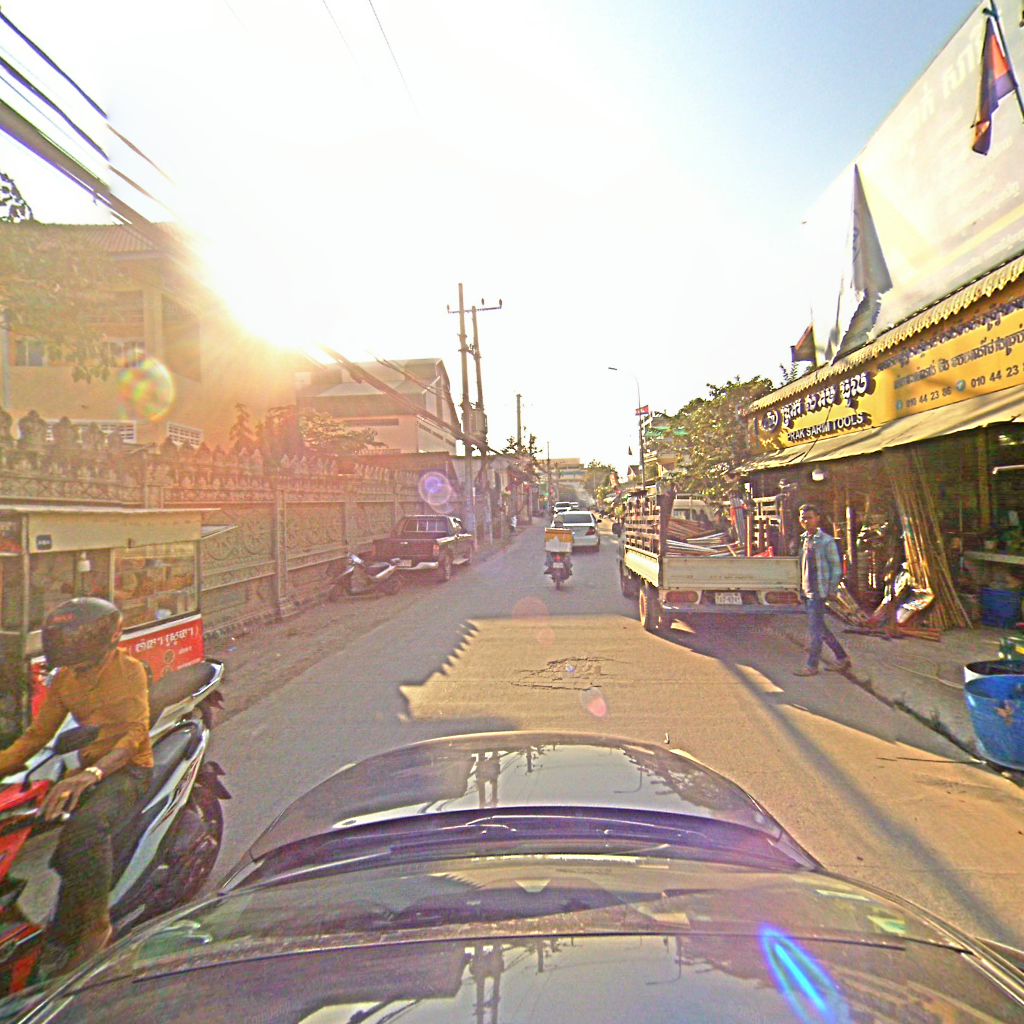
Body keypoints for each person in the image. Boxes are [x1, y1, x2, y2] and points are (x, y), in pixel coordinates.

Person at [0, 598, 153, 974]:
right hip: (86, 768)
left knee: (86, 827)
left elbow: (135, 733)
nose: (69, 645)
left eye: (76, 637)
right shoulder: (66, 679)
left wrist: (93, 774)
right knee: (51, 838)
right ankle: (60, 926)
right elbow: (37, 736)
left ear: (105, 636)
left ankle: (99, 925)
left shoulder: (129, 670)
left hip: (127, 769)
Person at [794, 503, 853, 678]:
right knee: (821, 628)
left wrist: (831, 589)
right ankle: (842, 658)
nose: (806, 521)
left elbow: (836, 569)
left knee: (816, 632)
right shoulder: (804, 540)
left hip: (819, 592)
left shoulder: (827, 541)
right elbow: (802, 566)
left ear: (817, 519)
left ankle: (811, 666)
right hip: (807, 591)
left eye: (809, 518)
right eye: (803, 518)